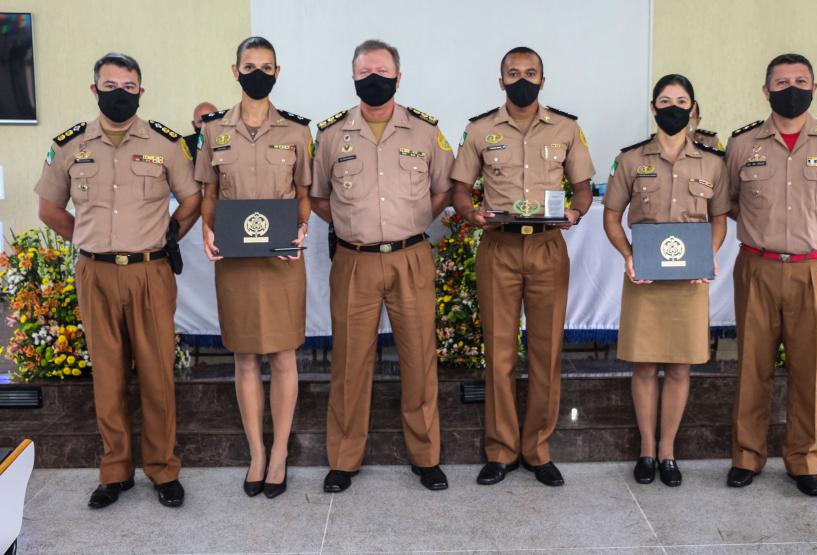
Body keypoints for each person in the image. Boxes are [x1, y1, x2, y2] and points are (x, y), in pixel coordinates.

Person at [34, 52, 200, 508]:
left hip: (150, 272)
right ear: (94, 90)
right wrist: (86, 239)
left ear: (141, 91)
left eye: (128, 87)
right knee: (107, 376)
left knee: (156, 374)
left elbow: (192, 201)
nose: (120, 94)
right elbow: (49, 209)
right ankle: (115, 470)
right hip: (96, 274)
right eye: (110, 86)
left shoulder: (166, 144)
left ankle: (163, 469)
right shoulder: (68, 146)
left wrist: (169, 237)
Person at [310, 39, 454, 493]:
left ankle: (426, 456)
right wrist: (353, 225)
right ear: (353, 77)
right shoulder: (331, 134)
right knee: (351, 364)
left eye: (382, 70)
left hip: (412, 257)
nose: (374, 77)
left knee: (418, 360)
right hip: (354, 262)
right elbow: (316, 196)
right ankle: (344, 459)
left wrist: (412, 223)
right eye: (365, 71)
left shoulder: (426, 131)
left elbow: (444, 190)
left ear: (398, 75)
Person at [725, 53, 817, 496]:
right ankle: (747, 455)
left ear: (814, 87)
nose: (792, 88)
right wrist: (761, 230)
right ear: (766, 90)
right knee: (752, 365)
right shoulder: (742, 144)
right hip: (757, 267)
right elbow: (727, 202)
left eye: (801, 80)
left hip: (814, 270)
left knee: (809, 369)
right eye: (782, 82)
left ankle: (803, 460)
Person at [451, 46, 595, 487]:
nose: (522, 79)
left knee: (546, 353)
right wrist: (471, 214)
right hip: (499, 247)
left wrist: (575, 212)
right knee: (498, 354)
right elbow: (460, 190)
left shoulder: (567, 128)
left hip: (549, 247)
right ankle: (500, 450)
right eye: (513, 73)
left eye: (530, 73)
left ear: (543, 80)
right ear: (501, 82)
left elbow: (583, 189)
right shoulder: (479, 129)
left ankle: (537, 449)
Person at [195, 36, 312, 499]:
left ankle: (280, 451)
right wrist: (206, 231)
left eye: (266, 66)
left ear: (277, 72)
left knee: (283, 355)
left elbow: (304, 194)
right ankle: (256, 453)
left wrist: (301, 229)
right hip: (236, 261)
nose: (257, 72)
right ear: (235, 70)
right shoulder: (213, 131)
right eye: (250, 65)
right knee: (245, 356)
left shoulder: (297, 132)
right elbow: (208, 195)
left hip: (282, 259)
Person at [603, 74, 729, 487]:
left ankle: (668, 453)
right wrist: (627, 256)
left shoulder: (712, 162)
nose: (673, 107)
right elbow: (611, 215)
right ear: (653, 108)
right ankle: (645, 450)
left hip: (690, 283)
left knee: (679, 368)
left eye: (681, 100)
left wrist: (707, 258)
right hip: (645, 281)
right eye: (664, 100)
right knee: (643, 366)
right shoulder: (631, 160)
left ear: (694, 109)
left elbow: (719, 219)